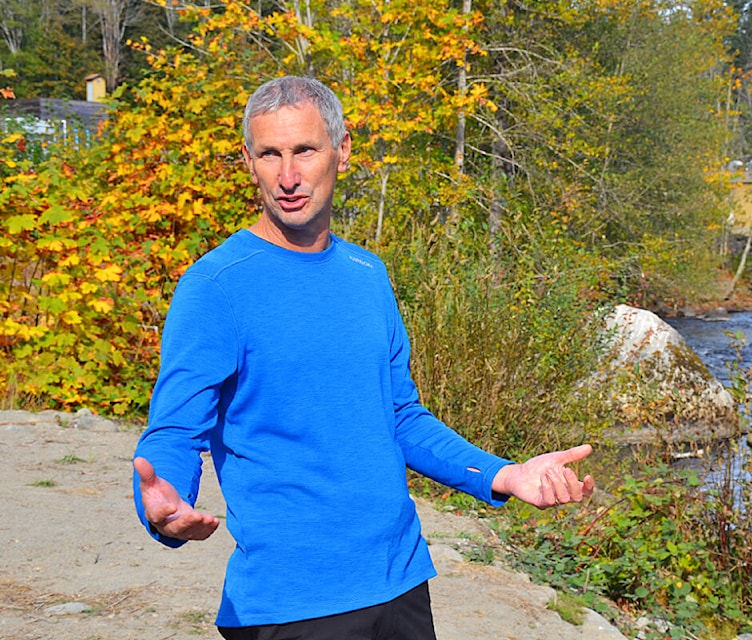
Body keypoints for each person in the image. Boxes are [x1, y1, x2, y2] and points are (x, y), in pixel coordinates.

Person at [132, 75, 595, 640]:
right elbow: (175, 432)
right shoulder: (216, 287)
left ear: (342, 149)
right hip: (291, 607)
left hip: (400, 583)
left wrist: (504, 474)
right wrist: (165, 505)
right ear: (247, 161)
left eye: (305, 150)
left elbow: (399, 418)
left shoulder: (367, 275)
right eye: (269, 155)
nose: (288, 177)